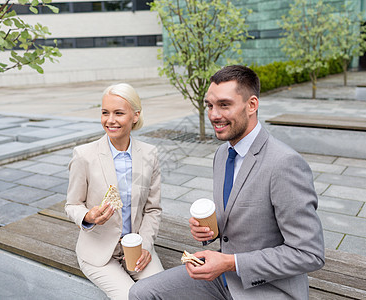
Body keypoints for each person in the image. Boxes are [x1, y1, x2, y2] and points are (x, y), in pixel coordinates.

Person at [129, 65, 325, 299]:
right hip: (224, 279)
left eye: (224, 105)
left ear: (252, 105)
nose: (213, 115)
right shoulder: (222, 154)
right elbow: (241, 218)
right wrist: (211, 231)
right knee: (141, 292)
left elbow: (309, 253)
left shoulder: (285, 164)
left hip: (268, 289)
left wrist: (230, 262)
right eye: (210, 105)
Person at [65, 83, 164, 299]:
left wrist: (145, 245)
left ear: (135, 116)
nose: (110, 120)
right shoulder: (84, 156)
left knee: (161, 294)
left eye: (119, 113)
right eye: (105, 113)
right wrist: (88, 217)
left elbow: (153, 209)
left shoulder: (150, 154)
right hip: (99, 254)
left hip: (136, 248)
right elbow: (72, 204)